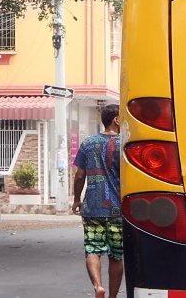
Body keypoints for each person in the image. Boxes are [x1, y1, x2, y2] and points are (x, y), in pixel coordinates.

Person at [71, 103, 123, 298]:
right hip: (117, 208)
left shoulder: (87, 143)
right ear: (116, 120)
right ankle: (112, 296)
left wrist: (77, 199)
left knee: (92, 249)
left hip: (92, 206)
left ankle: (98, 286)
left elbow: (79, 175)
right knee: (116, 255)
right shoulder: (124, 144)